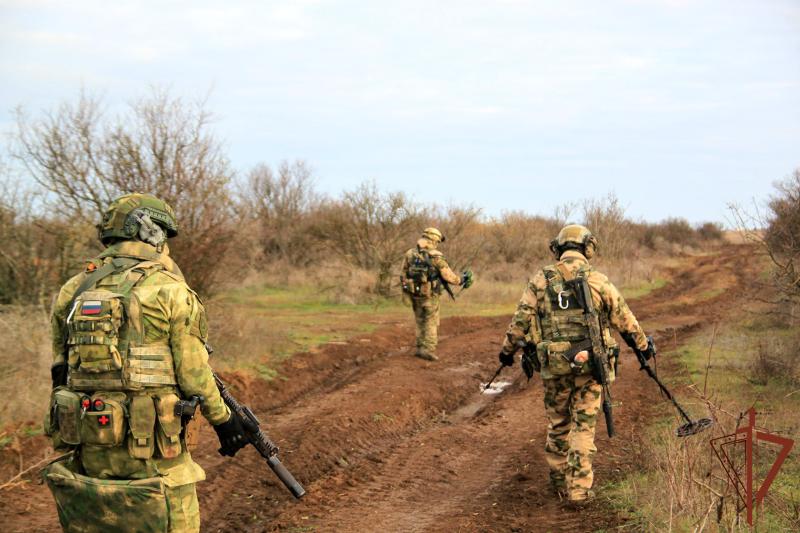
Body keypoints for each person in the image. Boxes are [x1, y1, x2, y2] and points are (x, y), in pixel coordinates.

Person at [43, 193, 251, 533]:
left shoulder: (74, 289)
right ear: (148, 232)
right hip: (154, 450)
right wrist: (224, 421)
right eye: (164, 236)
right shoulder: (170, 289)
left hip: (90, 442)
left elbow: (60, 369)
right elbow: (194, 373)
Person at [497, 224, 655, 506]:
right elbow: (626, 320)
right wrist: (643, 346)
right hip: (591, 368)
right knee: (583, 428)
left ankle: (558, 482)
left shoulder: (541, 279)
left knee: (558, 424)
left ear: (558, 248)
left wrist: (507, 352)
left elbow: (520, 322)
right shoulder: (598, 280)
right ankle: (579, 491)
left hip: (555, 367)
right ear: (587, 249)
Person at [400, 227, 472, 361]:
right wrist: (462, 279)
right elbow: (449, 277)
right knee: (431, 322)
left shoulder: (410, 254)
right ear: (433, 240)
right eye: (437, 241)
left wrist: (405, 291)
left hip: (414, 295)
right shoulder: (436, 257)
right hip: (430, 296)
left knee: (420, 320)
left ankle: (420, 347)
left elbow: (403, 273)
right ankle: (428, 350)